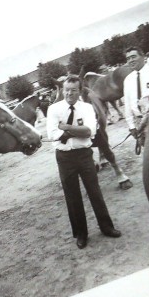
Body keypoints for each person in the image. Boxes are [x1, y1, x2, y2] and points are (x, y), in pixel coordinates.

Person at [46, 76, 122, 249]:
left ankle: (107, 227)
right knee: (72, 197)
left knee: (95, 192)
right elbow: (52, 134)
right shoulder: (53, 109)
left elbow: (90, 132)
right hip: (65, 158)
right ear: (62, 89)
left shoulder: (87, 108)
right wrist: (76, 131)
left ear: (79, 91)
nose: (69, 93)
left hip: (84, 155)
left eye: (73, 90)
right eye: (66, 89)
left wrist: (66, 128)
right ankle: (81, 234)